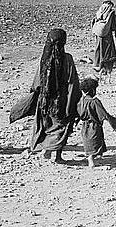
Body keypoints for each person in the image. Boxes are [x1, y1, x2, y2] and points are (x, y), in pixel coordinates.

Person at [30, 28, 81, 162]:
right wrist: (74, 99)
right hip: (61, 100)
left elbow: (37, 83)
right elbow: (72, 81)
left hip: (45, 101)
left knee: (47, 125)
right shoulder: (68, 59)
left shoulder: (44, 59)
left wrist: (37, 96)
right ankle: (57, 156)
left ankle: (47, 149)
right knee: (61, 127)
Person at [77, 77, 116, 168]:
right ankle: (91, 160)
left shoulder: (81, 100)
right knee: (95, 141)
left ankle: (96, 156)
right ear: (92, 90)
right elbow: (103, 114)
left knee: (89, 142)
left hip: (84, 125)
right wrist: (115, 122)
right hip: (94, 125)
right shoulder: (95, 101)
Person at [91, 0, 116, 75]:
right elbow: (115, 24)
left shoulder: (99, 13)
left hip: (99, 34)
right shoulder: (111, 13)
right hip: (107, 34)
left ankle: (97, 63)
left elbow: (93, 22)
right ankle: (106, 66)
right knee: (108, 49)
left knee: (98, 48)